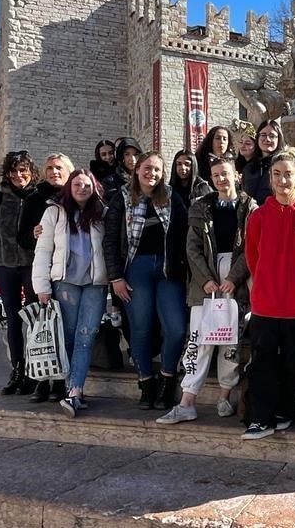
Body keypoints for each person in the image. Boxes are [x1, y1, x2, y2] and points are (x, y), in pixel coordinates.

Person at [157, 155, 257, 425]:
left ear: (236, 175)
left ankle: (225, 394)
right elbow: (192, 248)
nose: (221, 179)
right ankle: (187, 400)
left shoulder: (251, 208)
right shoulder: (201, 207)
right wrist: (206, 280)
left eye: (225, 174)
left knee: (230, 341)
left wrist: (234, 278)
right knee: (199, 339)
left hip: (237, 280)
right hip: (207, 282)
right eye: (215, 176)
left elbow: (251, 248)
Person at [103, 151, 189, 409]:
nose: (152, 174)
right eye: (147, 168)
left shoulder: (171, 197)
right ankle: (146, 382)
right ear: (137, 169)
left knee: (176, 329)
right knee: (140, 328)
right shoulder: (122, 197)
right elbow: (109, 239)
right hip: (135, 269)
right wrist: (115, 276)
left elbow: (185, 233)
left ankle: (167, 377)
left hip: (166, 270)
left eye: (157, 170)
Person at [242, 147, 295, 440]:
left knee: (292, 364)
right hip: (265, 305)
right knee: (262, 364)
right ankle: (260, 418)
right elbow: (252, 257)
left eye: (288, 174)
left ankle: (286, 410)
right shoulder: (259, 216)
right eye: (277, 175)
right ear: (270, 179)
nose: (283, 180)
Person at [31, 170, 108, 418]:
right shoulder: (54, 212)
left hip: (95, 284)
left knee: (87, 336)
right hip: (65, 283)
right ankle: (70, 388)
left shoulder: (102, 214)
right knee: (69, 336)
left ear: (94, 188)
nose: (82, 189)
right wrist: (41, 287)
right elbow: (43, 250)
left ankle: (74, 391)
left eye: (87, 185)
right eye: (77, 184)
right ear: (69, 187)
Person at [0, 151, 40, 395]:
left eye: (23, 170)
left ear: (31, 172)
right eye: (14, 171)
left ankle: (36, 372)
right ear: (7, 174)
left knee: (36, 318)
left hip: (32, 264)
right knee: (14, 320)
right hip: (4, 264)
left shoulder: (38, 197)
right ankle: (17, 369)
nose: (18, 175)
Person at [18, 153, 75, 402]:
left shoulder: (77, 193)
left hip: (67, 271)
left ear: (68, 170)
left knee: (63, 327)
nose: (54, 172)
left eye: (59, 167)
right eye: (50, 167)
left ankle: (60, 380)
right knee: (39, 328)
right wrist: (34, 234)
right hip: (41, 270)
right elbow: (22, 237)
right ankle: (40, 381)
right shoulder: (34, 199)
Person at [241, 119, 285, 205]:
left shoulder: (284, 165)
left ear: (279, 139)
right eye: (263, 135)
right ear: (258, 138)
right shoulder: (249, 167)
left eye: (272, 136)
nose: (267, 139)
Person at [102, 137, 142, 205]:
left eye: (135, 154)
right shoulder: (110, 181)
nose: (132, 159)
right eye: (127, 154)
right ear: (122, 157)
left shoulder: (146, 178)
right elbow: (113, 204)